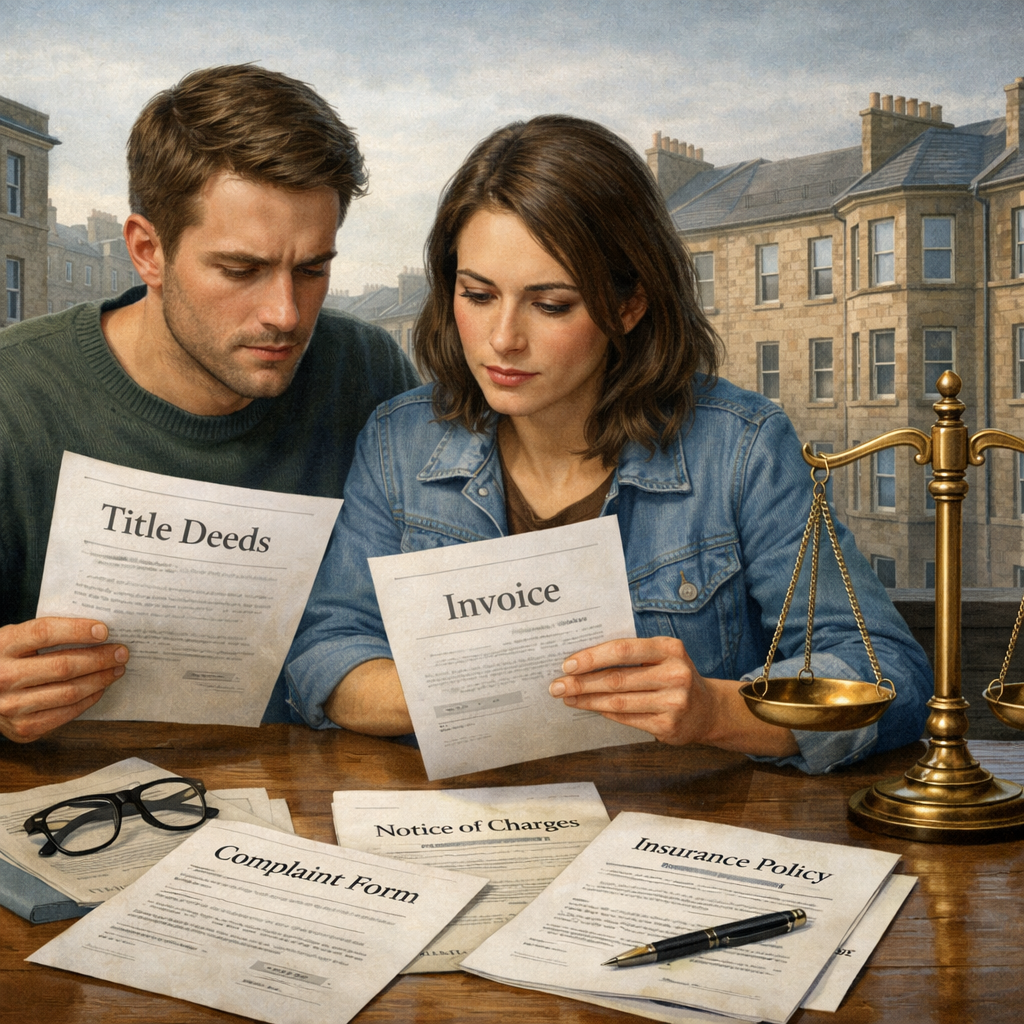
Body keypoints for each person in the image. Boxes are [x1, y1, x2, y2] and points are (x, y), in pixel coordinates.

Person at [285, 115, 933, 774]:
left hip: (672, 837)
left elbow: (886, 677)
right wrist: (486, 692)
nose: (502, 338)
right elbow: (326, 652)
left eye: (552, 305)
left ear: (629, 305)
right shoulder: (399, 439)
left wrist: (715, 711)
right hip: (458, 825)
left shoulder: (742, 449)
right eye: (477, 294)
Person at [0, 65, 419, 743]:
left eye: (312, 269)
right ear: (147, 251)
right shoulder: (13, 396)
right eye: (241, 270)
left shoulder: (369, 371)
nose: (285, 314)